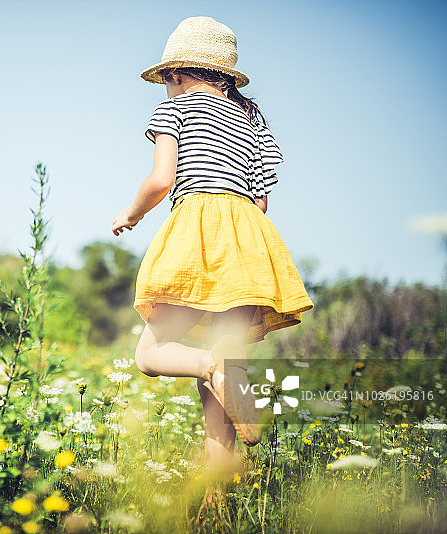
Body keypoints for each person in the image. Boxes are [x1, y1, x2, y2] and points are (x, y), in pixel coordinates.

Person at [112, 16, 313, 471]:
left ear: (175, 74)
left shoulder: (174, 110)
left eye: (167, 80)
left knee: (150, 355)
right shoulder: (251, 121)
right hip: (248, 246)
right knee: (222, 385)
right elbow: (260, 202)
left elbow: (161, 179)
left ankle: (209, 365)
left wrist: (132, 213)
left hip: (198, 238)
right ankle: (217, 494)